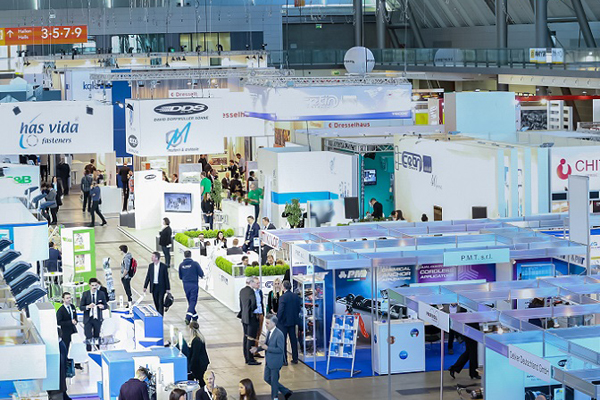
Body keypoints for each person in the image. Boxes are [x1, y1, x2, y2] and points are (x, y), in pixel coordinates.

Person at [251, 315, 293, 400]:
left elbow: (280, 350)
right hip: (269, 361)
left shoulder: (279, 334)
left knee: (274, 381)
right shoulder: (269, 332)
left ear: (273, 323)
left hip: (275, 361)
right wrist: (257, 349)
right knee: (267, 378)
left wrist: (267, 348)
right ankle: (285, 391)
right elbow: (265, 345)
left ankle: (275, 398)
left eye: (267, 323)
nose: (265, 325)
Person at [239, 277, 262, 366]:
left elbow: (241, 304)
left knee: (245, 338)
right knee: (251, 339)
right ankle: (250, 358)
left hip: (244, 318)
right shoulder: (251, 291)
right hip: (251, 318)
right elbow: (253, 304)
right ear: (251, 283)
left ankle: (246, 357)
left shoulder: (242, 291)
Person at [80, 277, 107, 351]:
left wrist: (103, 306)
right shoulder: (85, 294)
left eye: (95, 285)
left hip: (97, 319)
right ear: (89, 285)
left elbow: (106, 305)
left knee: (97, 336)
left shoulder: (101, 294)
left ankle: (97, 351)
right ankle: (88, 352)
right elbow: (81, 307)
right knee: (88, 337)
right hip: (88, 319)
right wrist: (88, 306)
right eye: (92, 285)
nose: (94, 287)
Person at [277, 280, 300, 365]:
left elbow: (281, 310)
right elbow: (298, 308)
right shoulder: (295, 296)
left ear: (283, 287)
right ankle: (295, 358)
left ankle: (284, 360)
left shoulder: (283, 297)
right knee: (293, 340)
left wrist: (278, 319)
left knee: (283, 341)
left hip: (283, 322)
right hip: (293, 322)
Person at [179, 250, 205, 324]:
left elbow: (180, 276)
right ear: (191, 255)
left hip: (185, 285)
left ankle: (195, 316)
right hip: (194, 284)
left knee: (190, 301)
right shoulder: (195, 264)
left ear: (184, 255)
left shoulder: (181, 265)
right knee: (193, 301)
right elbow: (201, 273)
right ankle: (188, 317)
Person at [143, 251, 171, 315]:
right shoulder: (151, 266)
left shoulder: (163, 266)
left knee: (160, 301)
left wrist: (168, 288)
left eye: (153, 256)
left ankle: (161, 315)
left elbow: (166, 278)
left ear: (157, 258)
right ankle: (158, 313)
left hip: (161, 287)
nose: (151, 258)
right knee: (156, 301)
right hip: (154, 286)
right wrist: (145, 286)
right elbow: (148, 276)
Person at [186, 321, 210, 385]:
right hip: (202, 362)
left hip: (200, 363)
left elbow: (195, 355)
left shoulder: (196, 340)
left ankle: (204, 389)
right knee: (201, 378)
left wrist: (191, 366)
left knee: (201, 379)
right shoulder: (199, 338)